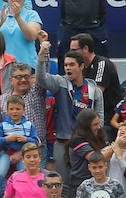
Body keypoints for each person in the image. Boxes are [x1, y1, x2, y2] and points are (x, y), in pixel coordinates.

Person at [36, 40, 104, 176]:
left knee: (86, 181)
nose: (67, 68)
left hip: (86, 144)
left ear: (82, 66)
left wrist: (96, 140)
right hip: (63, 143)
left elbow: (100, 117)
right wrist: (42, 56)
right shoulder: (60, 83)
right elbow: (41, 79)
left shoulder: (94, 90)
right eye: (66, 65)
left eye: (72, 65)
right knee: (64, 183)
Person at [69, 33, 121, 131]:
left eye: (74, 50)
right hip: (87, 116)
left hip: (108, 119)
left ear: (85, 48)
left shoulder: (102, 64)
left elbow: (96, 94)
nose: (71, 53)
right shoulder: (80, 66)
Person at [66, 108, 110, 198]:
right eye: (95, 124)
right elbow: (96, 159)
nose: (98, 127)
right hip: (80, 184)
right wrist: (116, 146)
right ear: (86, 126)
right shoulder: (77, 140)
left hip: (98, 182)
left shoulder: (99, 135)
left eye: (99, 123)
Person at [0, 0, 41, 68]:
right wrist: (0, 23)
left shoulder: (32, 14)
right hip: (1, 67)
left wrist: (17, 17)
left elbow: (31, 36)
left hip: (27, 68)